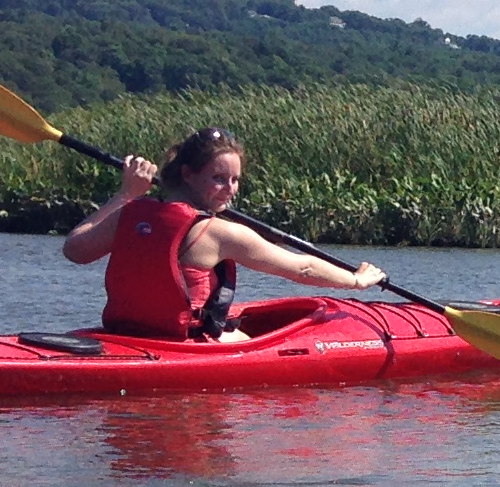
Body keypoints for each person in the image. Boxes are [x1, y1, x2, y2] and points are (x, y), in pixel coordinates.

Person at [63, 126, 387, 341]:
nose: (229, 190)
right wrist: (356, 280)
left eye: (235, 180)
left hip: (125, 333)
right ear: (188, 175)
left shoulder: (131, 212)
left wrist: (125, 195)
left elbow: (76, 249)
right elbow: (301, 267)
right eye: (219, 178)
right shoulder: (219, 233)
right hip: (182, 343)